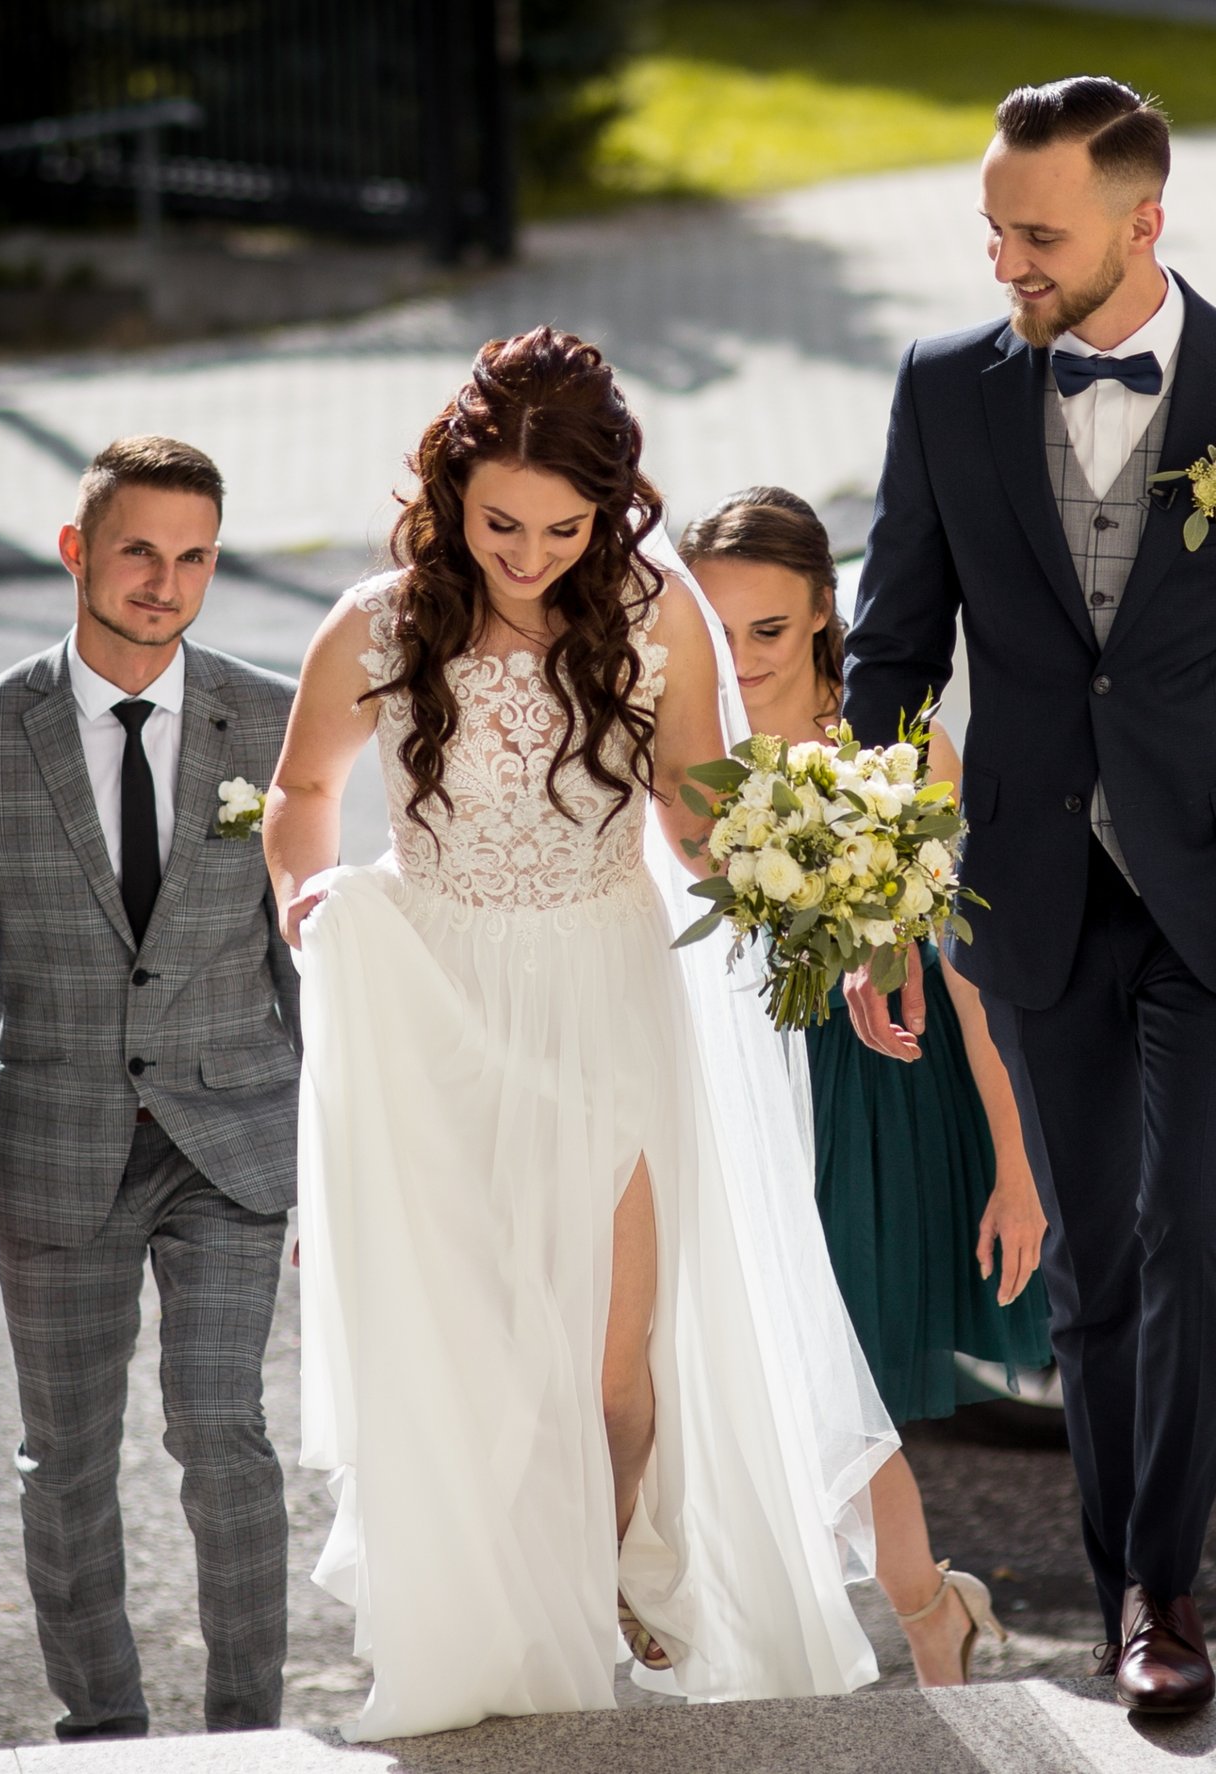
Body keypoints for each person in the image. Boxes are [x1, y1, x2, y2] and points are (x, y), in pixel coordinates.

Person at [839, 76, 1216, 1714]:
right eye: (993, 229)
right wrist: (886, 895)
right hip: (1025, 891)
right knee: (1090, 1257)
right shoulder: (943, 390)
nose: (1006, 259)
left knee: (1204, 1231)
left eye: (1039, 233)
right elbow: (891, 655)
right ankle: (1127, 1588)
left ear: (1142, 224)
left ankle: (1167, 1576)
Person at [265, 329, 895, 1740]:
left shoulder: (650, 606)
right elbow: (304, 788)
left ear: (609, 509)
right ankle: (507, 1632)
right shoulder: (378, 621)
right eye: (501, 523)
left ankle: (596, 1586)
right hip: (439, 995)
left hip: (607, 985)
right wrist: (307, 897)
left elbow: (688, 796)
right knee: (484, 1350)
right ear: (450, 485)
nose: (532, 552)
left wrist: (791, 866)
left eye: (564, 526)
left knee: (618, 1363)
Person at [0, 437, 300, 1740]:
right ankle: (102, 1735)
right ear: (77, 550)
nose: (165, 582)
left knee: (223, 1430)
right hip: (57, 1147)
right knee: (62, 1459)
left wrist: (340, 1179)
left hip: (232, 1134)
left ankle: (248, 1736)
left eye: (193, 557)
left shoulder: (273, 719)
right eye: (139, 549)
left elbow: (316, 958)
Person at [682, 485, 1054, 1686]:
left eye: (770, 631)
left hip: (866, 1092)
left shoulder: (891, 741)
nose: (740, 663)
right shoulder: (669, 738)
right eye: (717, 630)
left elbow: (968, 973)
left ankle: (916, 1610)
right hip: (711, 1087)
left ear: (825, 614)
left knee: (826, 1369)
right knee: (734, 1374)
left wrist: (1013, 1163)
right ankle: (920, 1606)